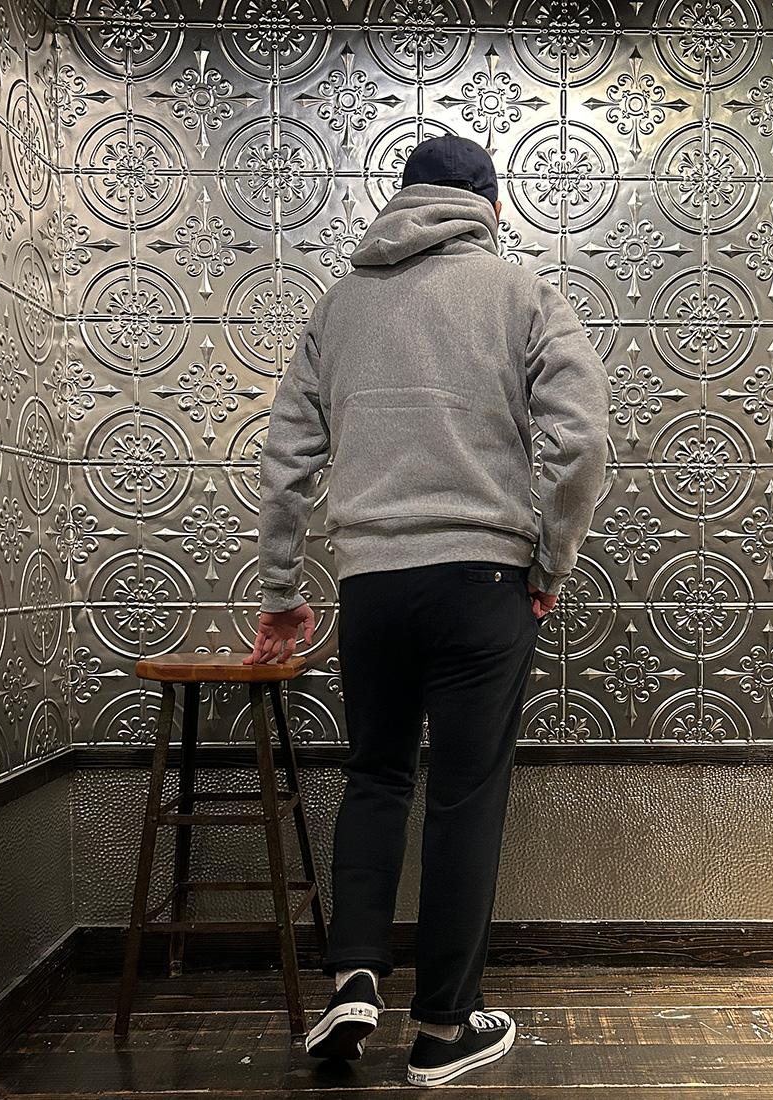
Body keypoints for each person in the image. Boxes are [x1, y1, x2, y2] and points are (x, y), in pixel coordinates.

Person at [245, 133, 611, 1087]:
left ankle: (354, 976)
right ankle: (445, 1027)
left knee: (374, 777)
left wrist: (281, 592)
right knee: (463, 794)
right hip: (484, 582)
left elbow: (286, 461)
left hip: (370, 582)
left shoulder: (338, 304)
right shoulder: (524, 294)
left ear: (400, 201)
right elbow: (581, 443)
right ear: (493, 207)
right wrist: (551, 558)